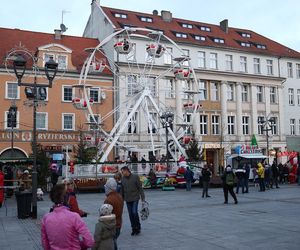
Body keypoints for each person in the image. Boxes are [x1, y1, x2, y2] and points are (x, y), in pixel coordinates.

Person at [41, 184, 94, 250]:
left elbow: (45, 244)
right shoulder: (74, 217)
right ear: (67, 198)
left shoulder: (46, 218)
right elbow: (89, 242)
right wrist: (80, 245)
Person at [121, 165, 145, 236]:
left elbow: (140, 188)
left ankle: (138, 226)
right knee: (130, 214)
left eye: (123, 172)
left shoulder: (135, 177)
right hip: (127, 199)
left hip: (135, 198)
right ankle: (133, 228)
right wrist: (121, 200)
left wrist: (143, 198)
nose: (122, 173)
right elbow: (122, 190)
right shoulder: (123, 179)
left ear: (126, 171)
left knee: (134, 212)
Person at [104, 178, 124, 250]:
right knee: (114, 241)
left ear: (109, 188)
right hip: (118, 223)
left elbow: (106, 216)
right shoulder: (119, 196)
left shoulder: (109, 199)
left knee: (112, 242)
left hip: (112, 225)